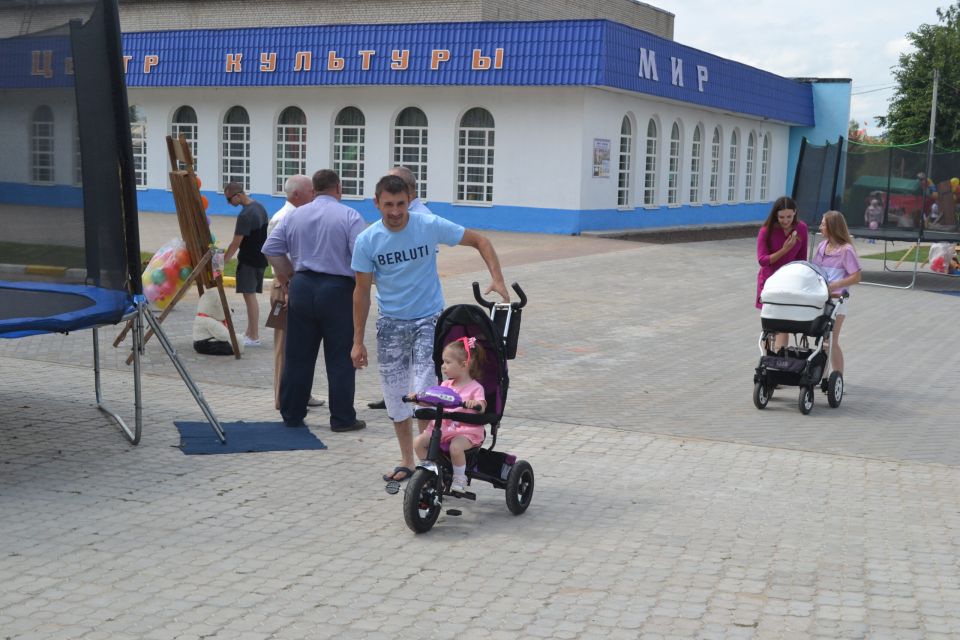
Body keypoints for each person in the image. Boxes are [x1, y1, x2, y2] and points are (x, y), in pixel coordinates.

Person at [351, 174, 509, 482]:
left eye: (401, 204)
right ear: (376, 203)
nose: (395, 211)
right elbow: (360, 292)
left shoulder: (428, 225)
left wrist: (498, 278)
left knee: (426, 393)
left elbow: (481, 241)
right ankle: (407, 460)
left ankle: (429, 463)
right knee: (397, 397)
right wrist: (358, 340)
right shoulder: (367, 240)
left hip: (429, 321)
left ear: (410, 201)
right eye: (388, 205)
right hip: (391, 325)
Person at [262, 169, 367, 432]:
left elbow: (270, 248)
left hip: (302, 286)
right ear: (338, 188)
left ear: (315, 189)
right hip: (337, 289)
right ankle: (342, 418)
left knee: (297, 354)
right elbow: (361, 256)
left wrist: (289, 276)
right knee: (340, 356)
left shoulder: (295, 215)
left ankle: (292, 413)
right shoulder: (350, 216)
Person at [365, 165, 433, 411]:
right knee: (400, 366)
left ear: (409, 192)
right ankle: (397, 398)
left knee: (420, 365)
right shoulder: (376, 231)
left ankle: (414, 402)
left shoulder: (423, 219)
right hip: (394, 311)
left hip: (420, 310)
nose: (394, 209)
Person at [267, 175, 324, 411]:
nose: (315, 196)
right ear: (298, 194)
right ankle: (283, 398)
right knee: (285, 347)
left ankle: (301, 393)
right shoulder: (283, 218)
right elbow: (274, 254)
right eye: (312, 191)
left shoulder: (299, 216)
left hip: (299, 286)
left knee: (302, 345)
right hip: (286, 287)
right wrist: (288, 284)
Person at [410, 337, 487, 494]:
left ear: (463, 365)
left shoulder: (475, 388)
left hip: (465, 430)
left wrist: (476, 404)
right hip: (443, 427)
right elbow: (432, 400)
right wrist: (418, 398)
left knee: (455, 447)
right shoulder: (445, 385)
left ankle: (459, 478)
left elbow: (482, 405)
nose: (442, 366)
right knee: (418, 442)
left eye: (447, 362)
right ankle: (431, 472)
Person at [811, 211, 862, 375]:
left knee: (831, 339)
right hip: (821, 298)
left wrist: (835, 285)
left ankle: (837, 378)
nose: (820, 227)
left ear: (832, 227)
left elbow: (856, 276)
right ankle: (822, 376)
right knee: (823, 340)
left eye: (823, 224)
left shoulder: (846, 250)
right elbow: (815, 269)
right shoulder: (822, 246)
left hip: (837, 300)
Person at [756, 196, 808, 350]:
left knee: (784, 324)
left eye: (789, 217)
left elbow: (802, 259)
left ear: (795, 213)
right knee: (769, 325)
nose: (785, 221)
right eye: (781, 217)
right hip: (769, 282)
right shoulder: (766, 231)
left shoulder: (801, 228)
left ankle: (779, 357)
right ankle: (767, 356)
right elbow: (762, 260)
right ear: (775, 215)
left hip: (789, 282)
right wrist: (784, 250)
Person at [223, 182, 269, 347]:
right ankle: (250, 332)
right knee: (251, 296)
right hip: (260, 258)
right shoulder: (260, 207)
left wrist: (223, 261)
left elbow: (236, 242)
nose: (229, 203)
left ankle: (254, 336)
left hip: (249, 261)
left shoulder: (245, 215)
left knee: (249, 297)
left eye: (229, 199)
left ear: (238, 195)